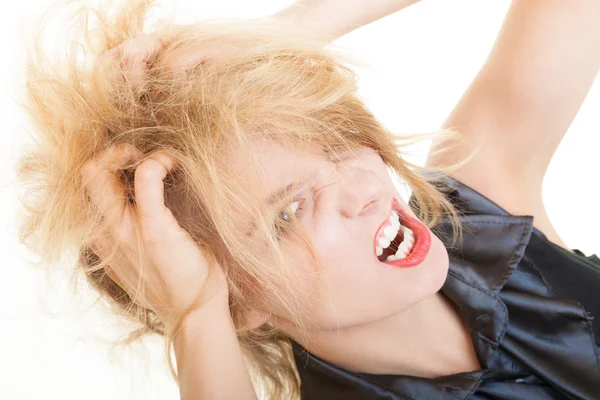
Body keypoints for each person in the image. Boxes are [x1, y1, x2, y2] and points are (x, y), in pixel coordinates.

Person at [15, 0, 600, 399]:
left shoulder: (484, 205)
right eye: (288, 213)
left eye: (334, 142)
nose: (363, 190)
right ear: (239, 303)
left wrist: (291, 30)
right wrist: (195, 315)